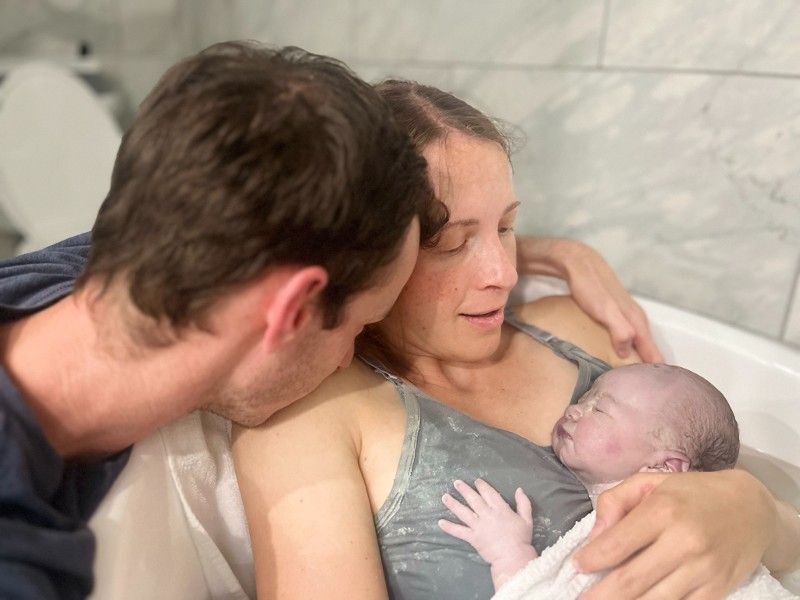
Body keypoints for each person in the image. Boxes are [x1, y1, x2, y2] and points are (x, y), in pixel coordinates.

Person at [0, 41, 657, 599]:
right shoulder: (20, 561)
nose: (349, 356)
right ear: (289, 311)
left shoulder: (93, 274)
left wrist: (537, 250)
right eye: (354, 327)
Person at [232, 81, 800, 600]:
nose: (504, 271)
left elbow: (740, 480)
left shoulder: (578, 327)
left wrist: (760, 518)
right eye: (453, 242)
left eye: (506, 226)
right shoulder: (311, 420)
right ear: (364, 255)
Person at [438, 364, 797, 599]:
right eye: (583, 398)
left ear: (666, 466)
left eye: (600, 409)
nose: (574, 410)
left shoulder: (643, 523)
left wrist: (509, 553)